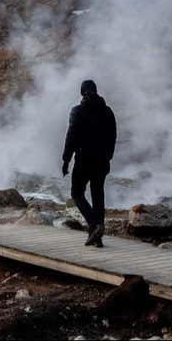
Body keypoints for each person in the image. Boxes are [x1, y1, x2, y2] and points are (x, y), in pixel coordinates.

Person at [61, 79, 116, 248]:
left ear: (82, 92)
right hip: (102, 161)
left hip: (84, 160)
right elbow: (112, 136)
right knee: (98, 195)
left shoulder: (78, 111)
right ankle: (97, 237)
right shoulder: (107, 111)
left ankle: (94, 225)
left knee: (77, 193)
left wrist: (66, 160)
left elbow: (71, 137)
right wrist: (108, 156)